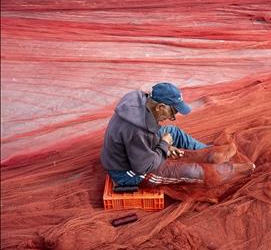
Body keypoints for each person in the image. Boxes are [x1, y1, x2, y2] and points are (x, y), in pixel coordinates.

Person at [100, 82, 252, 192]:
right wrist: (164, 146)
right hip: (128, 173)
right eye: (172, 113)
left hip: (135, 148)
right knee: (190, 172)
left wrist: (164, 145)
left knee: (173, 132)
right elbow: (144, 166)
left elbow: (144, 138)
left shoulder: (139, 100)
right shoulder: (137, 132)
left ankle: (210, 153)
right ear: (159, 107)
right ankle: (230, 170)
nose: (170, 117)